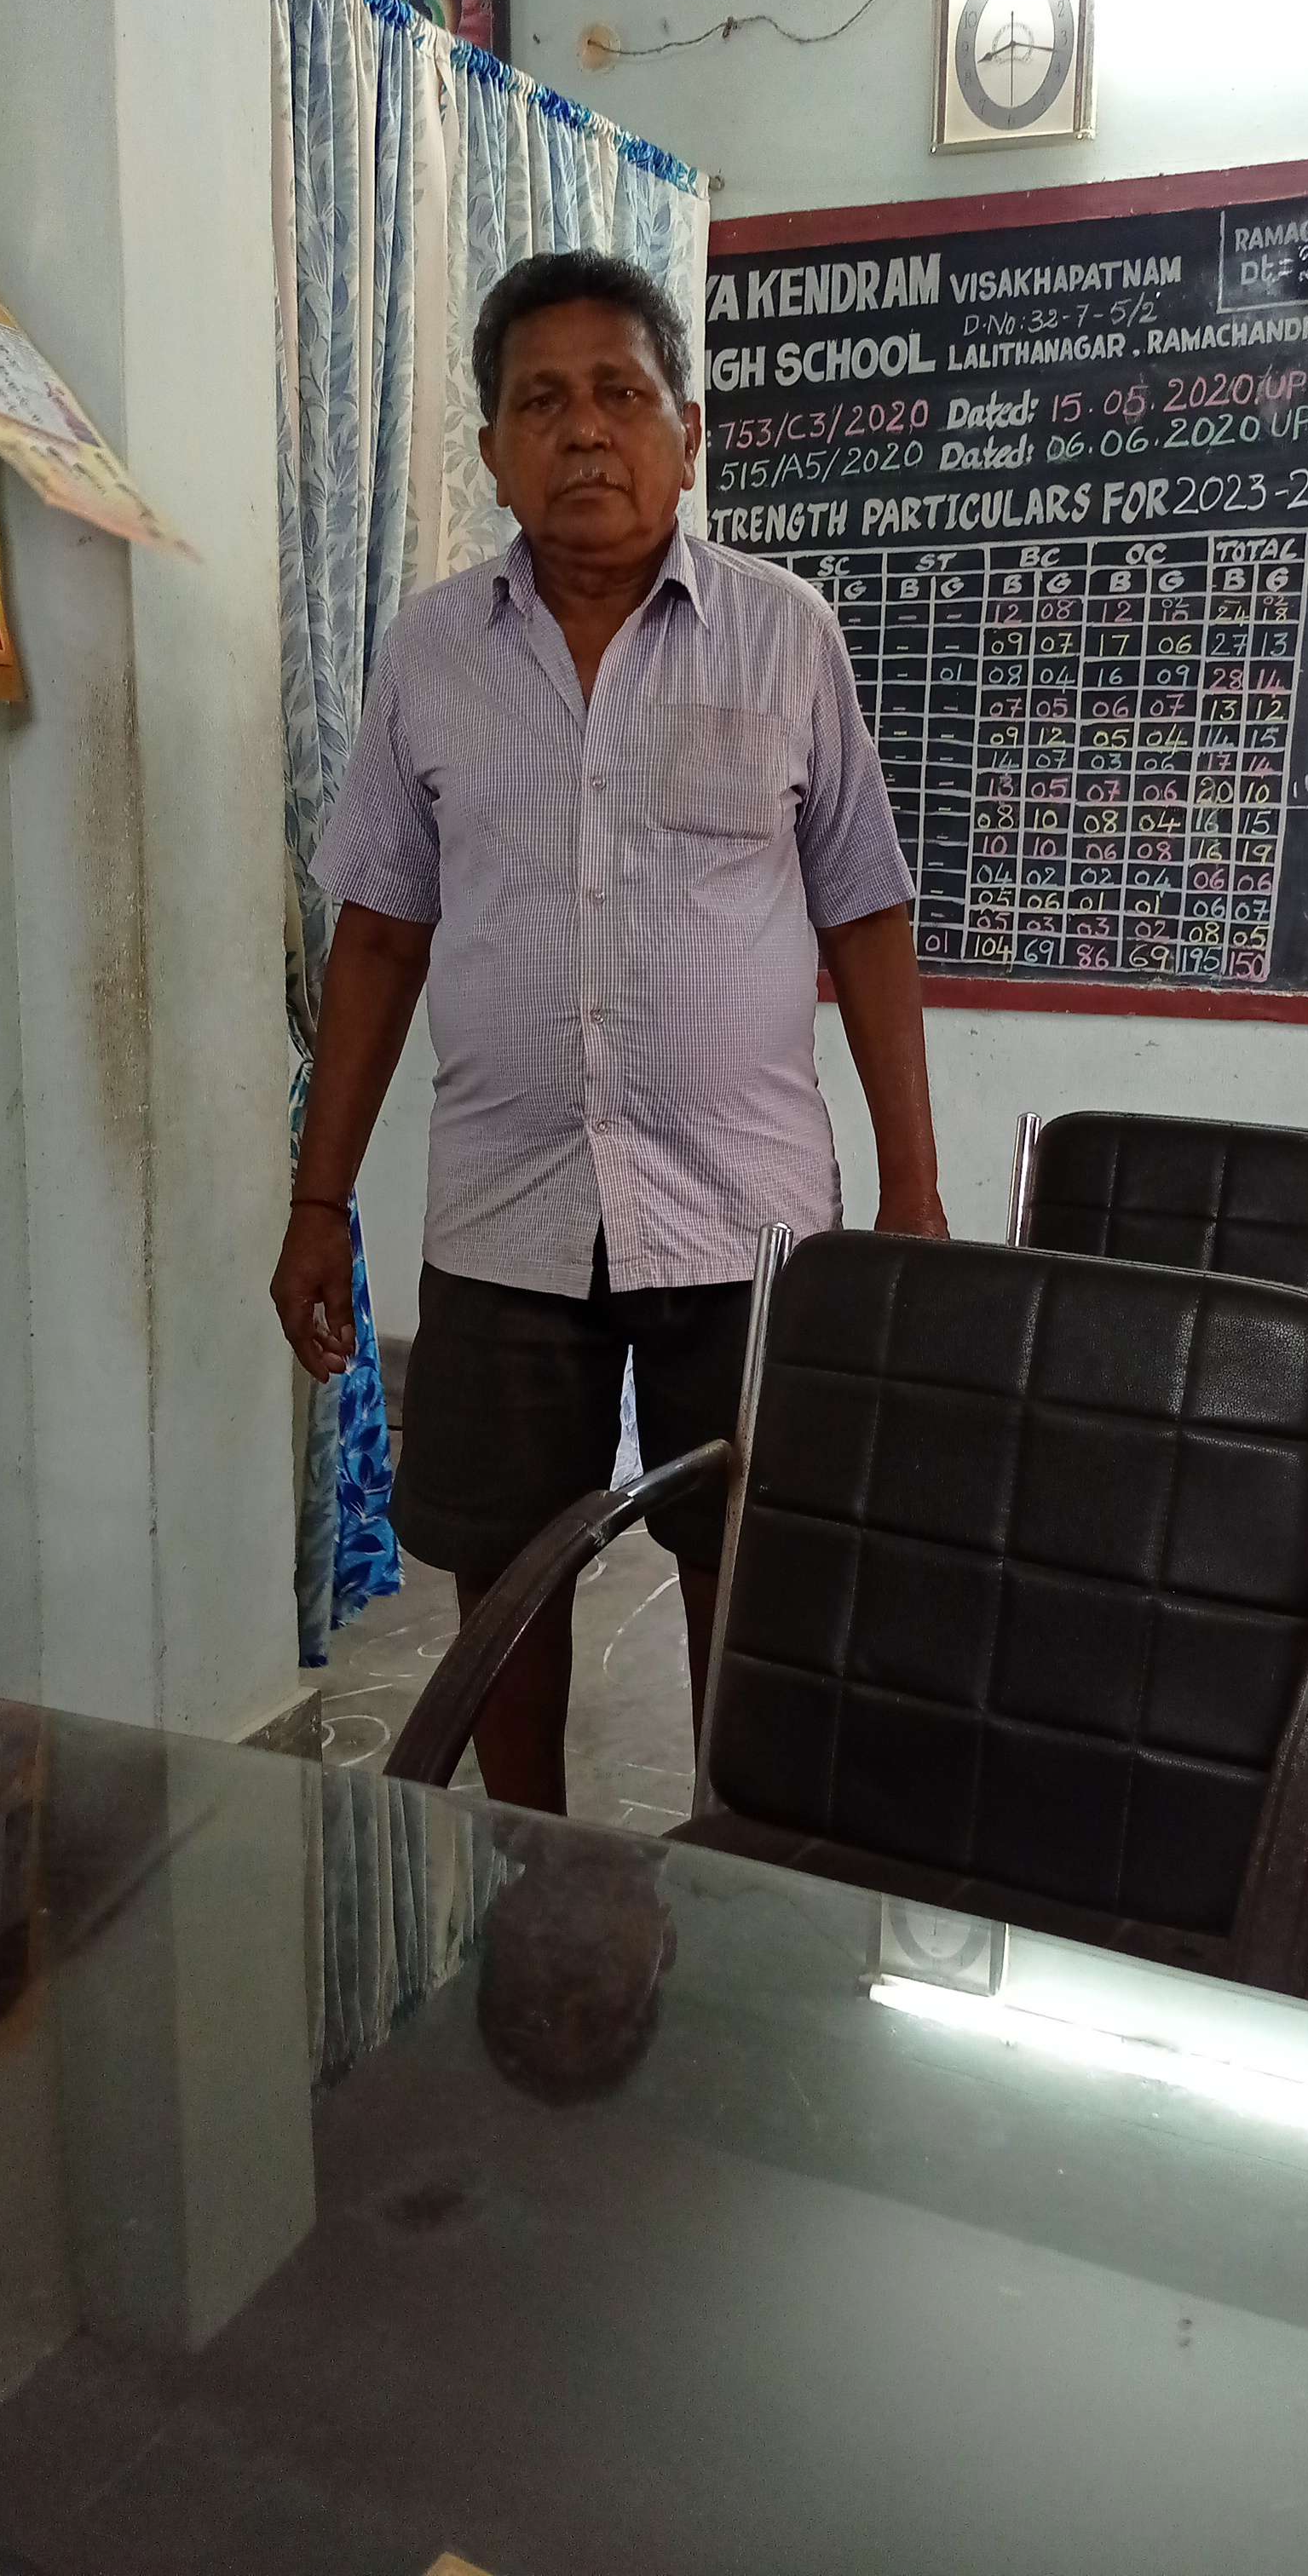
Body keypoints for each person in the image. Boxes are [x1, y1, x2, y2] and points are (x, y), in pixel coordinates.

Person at [271, 249, 946, 1813]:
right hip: (506, 1204)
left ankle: (737, 1864)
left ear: (686, 432)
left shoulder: (785, 636)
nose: (584, 431)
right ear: (492, 449)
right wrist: (320, 1199)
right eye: (542, 402)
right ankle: (524, 1867)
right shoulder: (430, 654)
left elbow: (864, 913)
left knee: (747, 1555)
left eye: (621, 395)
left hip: (745, 1208)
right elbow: (380, 934)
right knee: (505, 1570)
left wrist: (910, 1192)